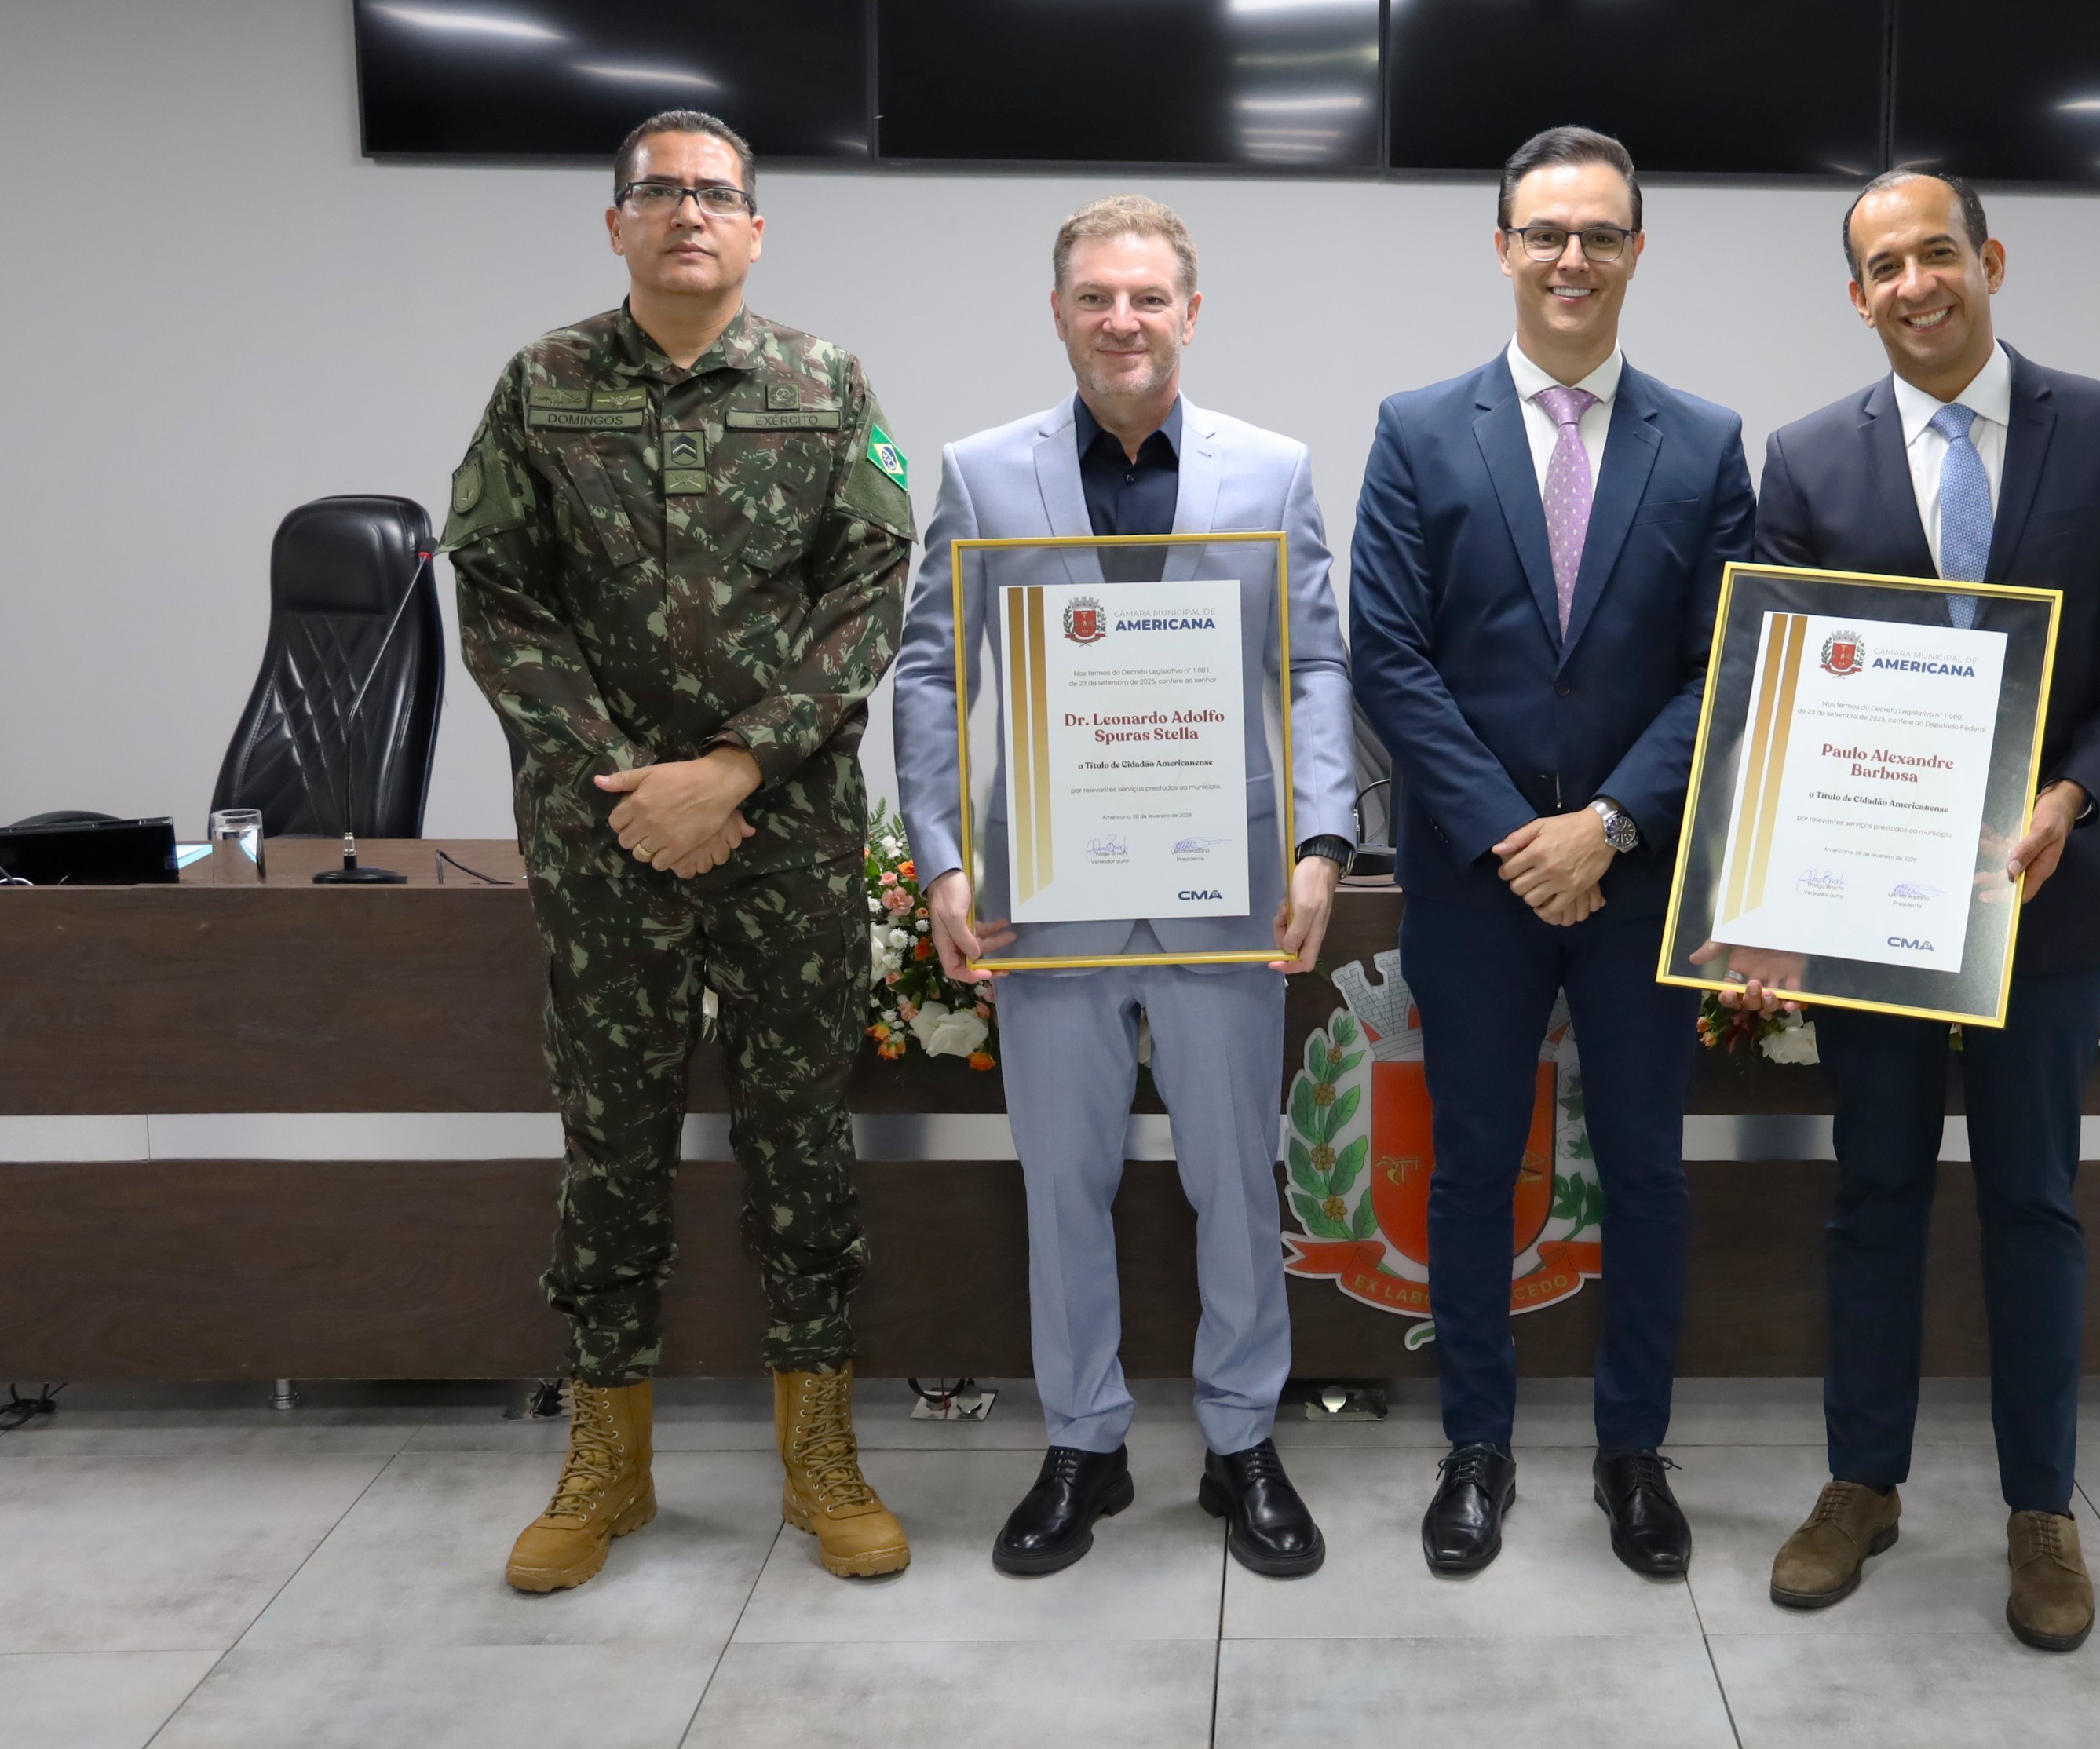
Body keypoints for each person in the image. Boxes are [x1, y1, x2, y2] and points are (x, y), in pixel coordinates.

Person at [443, 109, 917, 1594]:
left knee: (800, 1142)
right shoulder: (542, 385)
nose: (688, 213)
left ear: (756, 228)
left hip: (783, 835)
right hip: (603, 844)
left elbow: (868, 596)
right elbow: (499, 599)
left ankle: (820, 1456)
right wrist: (633, 792)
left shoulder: (824, 384)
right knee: (613, 1145)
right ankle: (607, 1467)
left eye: (715, 194)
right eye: (659, 193)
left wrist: (730, 774)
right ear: (617, 225)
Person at [1733, 169, 2100, 1651]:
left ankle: (2039, 1516)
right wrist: (1762, 899)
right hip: (1873, 905)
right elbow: (1777, 687)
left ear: (1989, 259)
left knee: (2031, 1205)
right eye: (1884, 266)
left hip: (2041, 899)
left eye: (1939, 253)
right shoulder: (1806, 460)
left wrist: (2071, 793)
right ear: (1856, 294)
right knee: (1869, 1198)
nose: (1916, 284)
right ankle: (1859, 1488)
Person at [890, 195, 1356, 1579]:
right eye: (1096, 296)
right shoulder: (981, 473)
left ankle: (1239, 1442)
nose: (1122, 320)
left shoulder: (1270, 471)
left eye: (1148, 297)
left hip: (1228, 887)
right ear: (1059, 313)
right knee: (1064, 1187)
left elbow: (1319, 665)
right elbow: (929, 670)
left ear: (1190, 313)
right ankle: (1083, 1446)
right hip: (1047, 891)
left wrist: (1323, 842)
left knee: (1232, 1180)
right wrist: (944, 862)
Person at [1349, 127, 1756, 1579]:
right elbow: (1387, 657)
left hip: (1641, 877)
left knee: (1647, 1174)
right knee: (1470, 1170)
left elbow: (1724, 666)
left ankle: (1633, 1457)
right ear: (1503, 249)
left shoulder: (1704, 443)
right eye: (1545, 233)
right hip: (1477, 878)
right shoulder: (1416, 428)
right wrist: (1519, 837)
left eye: (1598, 234)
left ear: (1636, 251)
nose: (1570, 257)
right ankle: (1475, 1449)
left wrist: (1610, 824)